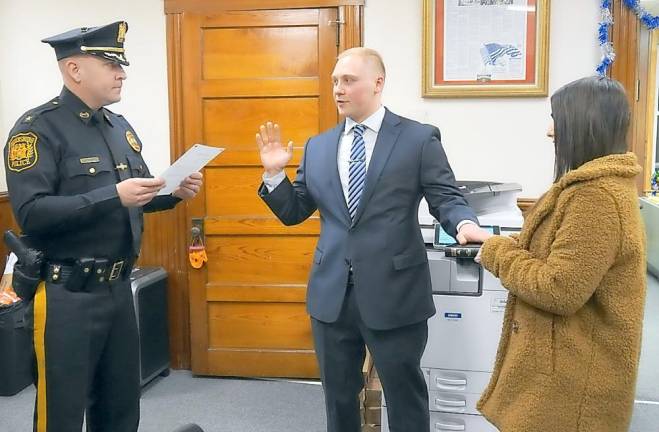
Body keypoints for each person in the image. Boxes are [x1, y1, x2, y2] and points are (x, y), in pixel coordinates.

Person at [255, 47, 491, 432]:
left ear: (378, 83)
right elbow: (294, 211)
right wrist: (274, 177)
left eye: (348, 80)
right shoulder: (319, 147)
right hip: (332, 295)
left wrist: (464, 225)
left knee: (405, 397)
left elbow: (446, 197)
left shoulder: (417, 139)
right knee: (338, 398)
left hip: (395, 292)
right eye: (334, 81)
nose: (338, 89)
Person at [4, 21, 202, 432]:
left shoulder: (119, 128)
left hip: (118, 288)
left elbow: (138, 195)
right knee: (61, 409)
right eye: (110, 63)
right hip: (65, 295)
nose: (122, 73)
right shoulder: (37, 129)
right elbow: (31, 213)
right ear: (74, 70)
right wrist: (114, 195)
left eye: (121, 65)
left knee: (120, 406)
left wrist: (174, 192)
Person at [474, 76, 647, 432]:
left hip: (571, 389)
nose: (550, 132)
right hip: (564, 376)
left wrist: (494, 251)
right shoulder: (594, 189)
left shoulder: (594, 198)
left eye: (555, 119)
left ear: (582, 124)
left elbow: (559, 288)